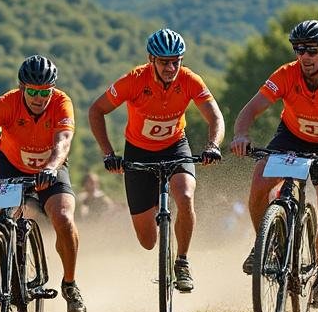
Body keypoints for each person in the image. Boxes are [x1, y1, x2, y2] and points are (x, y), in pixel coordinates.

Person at [229, 19, 318, 308]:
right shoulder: (286, 75)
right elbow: (250, 110)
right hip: (291, 138)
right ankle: (264, 245)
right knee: (258, 185)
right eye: (298, 49)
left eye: (311, 50)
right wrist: (241, 135)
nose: (304, 56)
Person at [0, 55, 88, 312]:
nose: (39, 97)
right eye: (32, 91)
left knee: (64, 218)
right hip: (9, 165)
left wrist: (51, 167)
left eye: (45, 92)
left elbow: (63, 141)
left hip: (50, 167)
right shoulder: (6, 103)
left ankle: (70, 284)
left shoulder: (61, 102)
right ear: (22, 88)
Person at [88, 28, 225, 293]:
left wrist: (212, 146)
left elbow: (215, 117)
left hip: (175, 147)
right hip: (138, 152)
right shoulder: (134, 80)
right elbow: (96, 110)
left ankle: (182, 261)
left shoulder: (189, 80)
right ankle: (160, 228)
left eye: (177, 60)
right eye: (164, 61)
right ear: (151, 59)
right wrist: (108, 152)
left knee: (185, 196)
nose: (171, 67)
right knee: (148, 241)